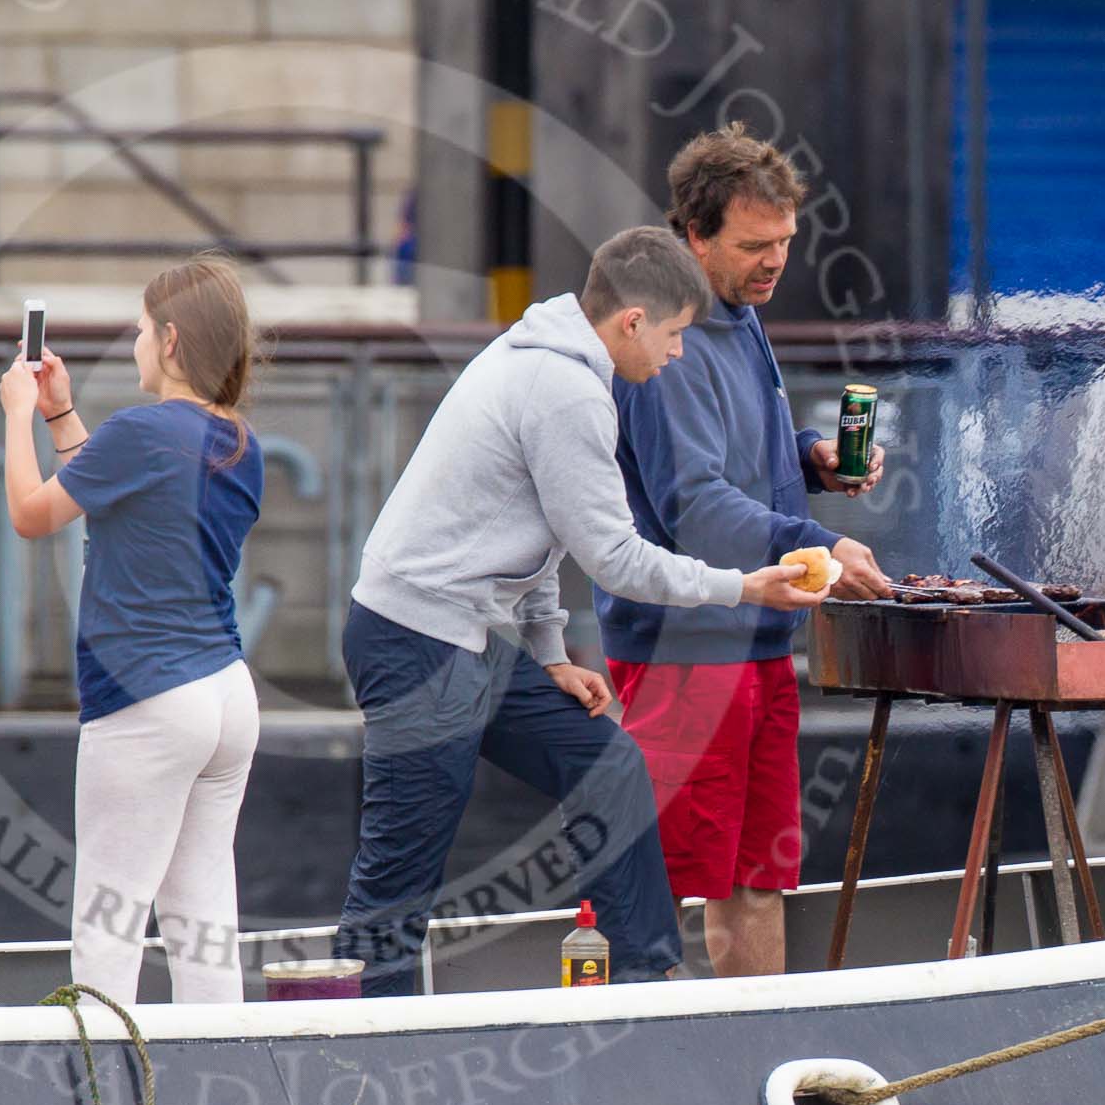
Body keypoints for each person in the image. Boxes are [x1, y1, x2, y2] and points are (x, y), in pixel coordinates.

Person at [332, 226, 829, 997]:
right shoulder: (567, 392)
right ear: (632, 321)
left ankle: (640, 975)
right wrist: (744, 585)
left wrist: (550, 654)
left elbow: (538, 526)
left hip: (460, 636)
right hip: (414, 642)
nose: (677, 354)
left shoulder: (548, 359)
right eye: (673, 335)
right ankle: (356, 1047)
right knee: (400, 875)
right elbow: (617, 559)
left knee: (608, 764)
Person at [596, 125, 893, 979]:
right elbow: (695, 507)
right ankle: (627, 1049)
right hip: (684, 651)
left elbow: (735, 456)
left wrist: (809, 458)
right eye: (755, 245)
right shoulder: (669, 341)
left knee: (759, 880)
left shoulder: (740, 312)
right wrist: (822, 541)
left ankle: (761, 1045)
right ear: (695, 235)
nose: (775, 262)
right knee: (658, 880)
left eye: (786, 242)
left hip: (757, 640)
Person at [0, 258, 265, 1004]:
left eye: (143, 330)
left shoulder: (142, 431)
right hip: (225, 696)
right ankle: (219, 1068)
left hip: (147, 697)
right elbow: (115, 491)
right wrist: (60, 414)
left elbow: (31, 514)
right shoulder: (239, 441)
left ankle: (101, 1079)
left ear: (172, 340)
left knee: (107, 923)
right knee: (204, 922)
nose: (138, 343)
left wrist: (17, 413)